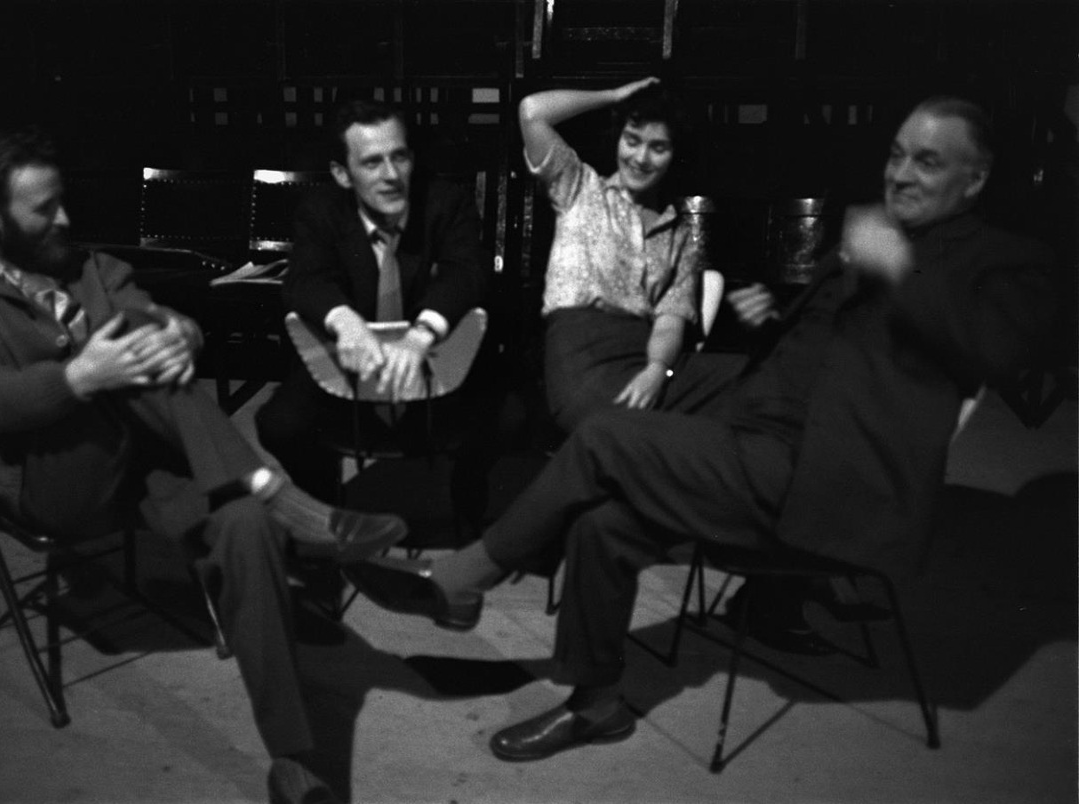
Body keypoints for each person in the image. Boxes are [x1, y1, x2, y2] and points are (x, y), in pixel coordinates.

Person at [344, 97, 1058, 760]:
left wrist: (897, 267)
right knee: (603, 523)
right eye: (897, 155)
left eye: (926, 162)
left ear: (975, 179)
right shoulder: (881, 236)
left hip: (823, 475)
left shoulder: (1004, 262)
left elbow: (1000, 351)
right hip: (758, 437)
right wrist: (770, 316)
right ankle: (595, 704)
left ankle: (466, 575)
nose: (899, 174)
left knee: (606, 437)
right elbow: (825, 350)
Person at [0, 126, 410, 804]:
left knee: (243, 523)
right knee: (129, 356)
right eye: (43, 209)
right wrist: (82, 375)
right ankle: (284, 498)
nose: (65, 219)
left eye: (63, 201)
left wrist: (183, 333)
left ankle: (292, 760)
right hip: (51, 481)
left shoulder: (90, 268)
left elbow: (156, 317)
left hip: (140, 468)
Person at [253, 99, 496, 532]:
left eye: (399, 157)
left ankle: (467, 507)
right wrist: (346, 322)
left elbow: (467, 272)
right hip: (349, 367)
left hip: (432, 364)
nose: (391, 174)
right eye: (371, 162)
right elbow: (305, 281)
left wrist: (422, 334)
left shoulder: (445, 203)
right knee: (279, 425)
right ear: (342, 174)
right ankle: (328, 506)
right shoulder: (320, 211)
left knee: (507, 416)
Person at [520, 77, 737, 433]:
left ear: (674, 155)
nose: (640, 158)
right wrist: (614, 96)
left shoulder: (677, 236)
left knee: (752, 382)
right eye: (632, 140)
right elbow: (532, 112)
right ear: (618, 139)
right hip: (581, 364)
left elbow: (669, 322)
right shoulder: (579, 188)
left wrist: (657, 370)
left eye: (657, 147)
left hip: (648, 364)